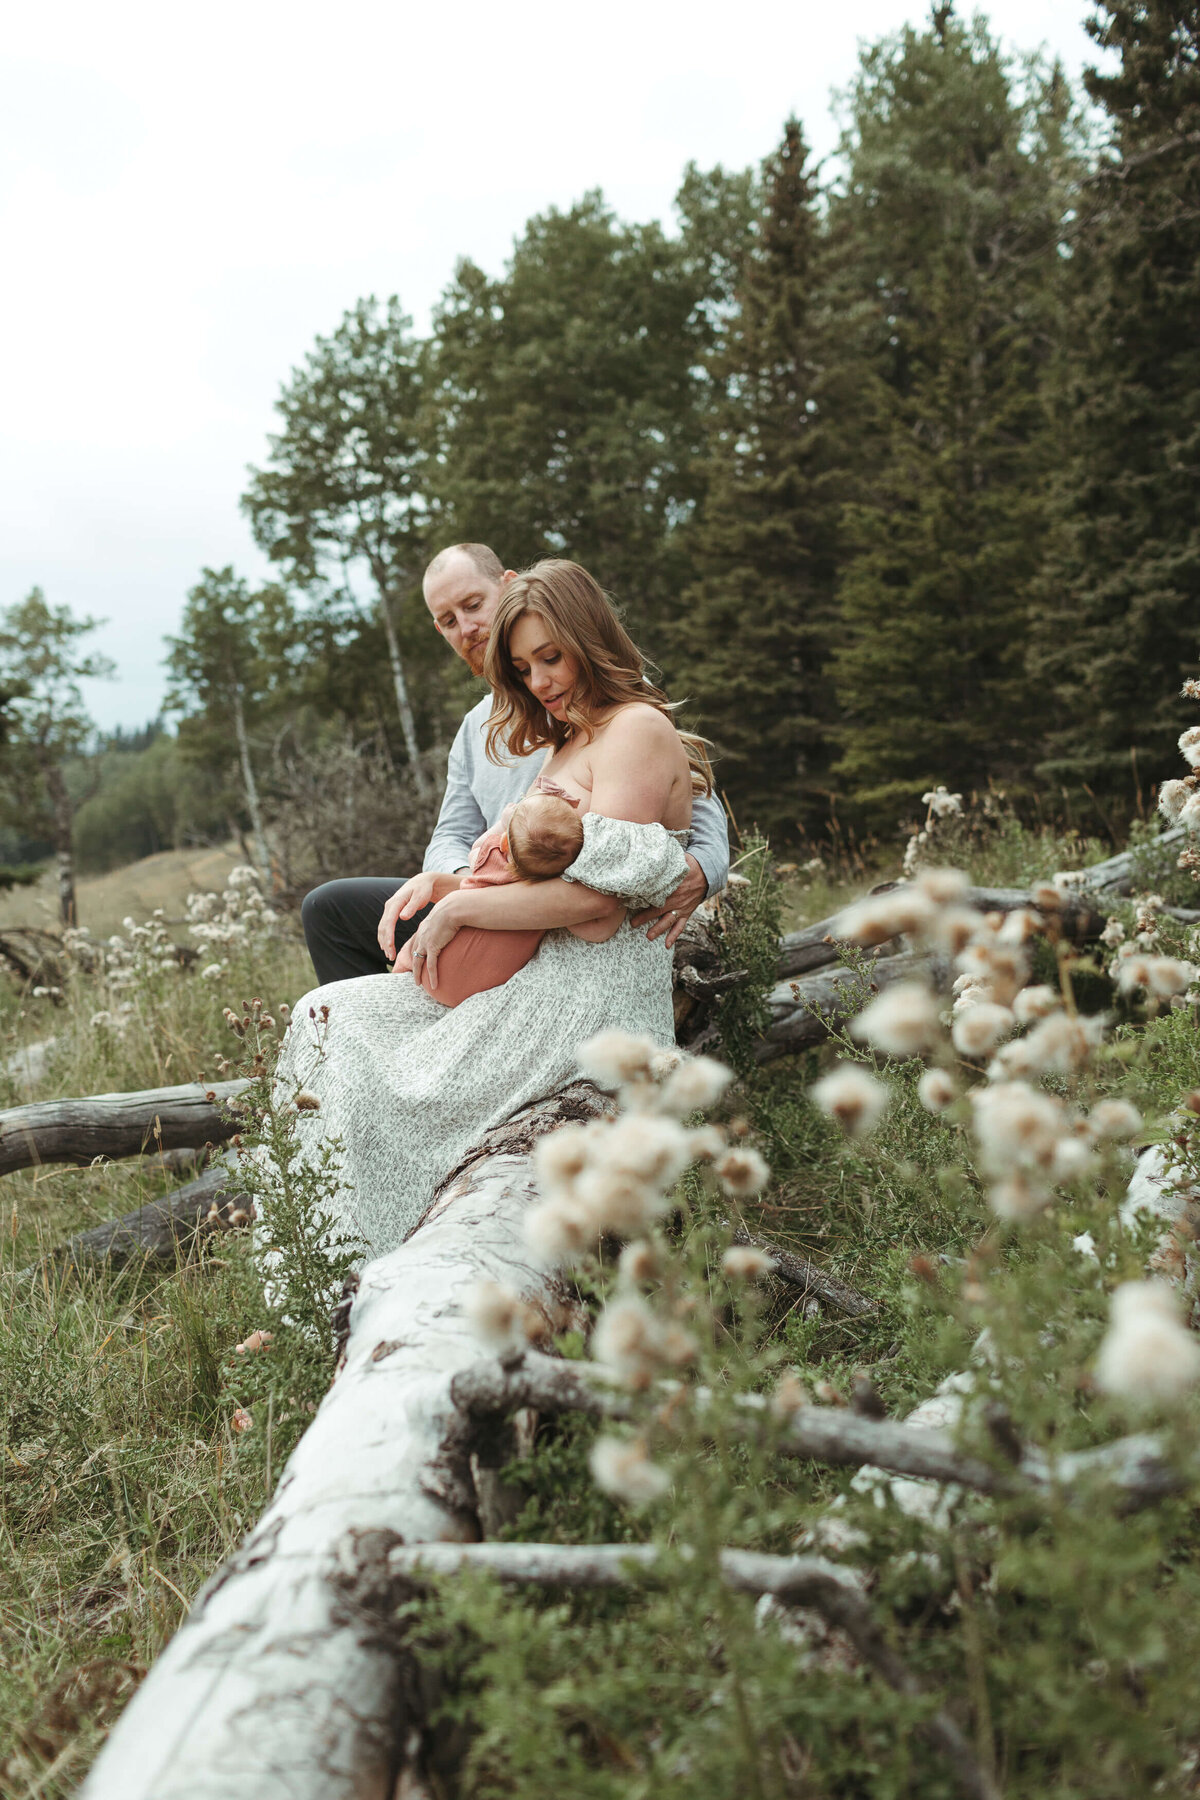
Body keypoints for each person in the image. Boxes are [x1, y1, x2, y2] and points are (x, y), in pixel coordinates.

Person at [270, 558, 711, 1260]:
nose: (541, 682)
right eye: (524, 668)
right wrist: (444, 888)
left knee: (363, 1055)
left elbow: (597, 910)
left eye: (550, 658)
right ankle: (331, 1265)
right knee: (325, 1016)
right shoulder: (567, 739)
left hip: (592, 1002)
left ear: (589, 636)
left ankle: (388, 1253)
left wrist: (460, 917)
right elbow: (526, 866)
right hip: (539, 980)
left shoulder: (634, 729)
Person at [299, 542, 730, 985]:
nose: (466, 627)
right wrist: (475, 883)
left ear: (510, 585)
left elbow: (692, 793)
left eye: (473, 604)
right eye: (449, 621)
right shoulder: (477, 727)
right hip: (496, 883)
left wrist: (705, 870)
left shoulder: (605, 702)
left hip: (573, 908)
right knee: (328, 908)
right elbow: (450, 834)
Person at [392, 784, 589, 1006]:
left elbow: (474, 851)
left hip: (434, 973)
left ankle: (400, 971)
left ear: (504, 842)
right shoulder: (548, 888)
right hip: (486, 985)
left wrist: (503, 823)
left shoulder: (491, 857)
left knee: (411, 947)